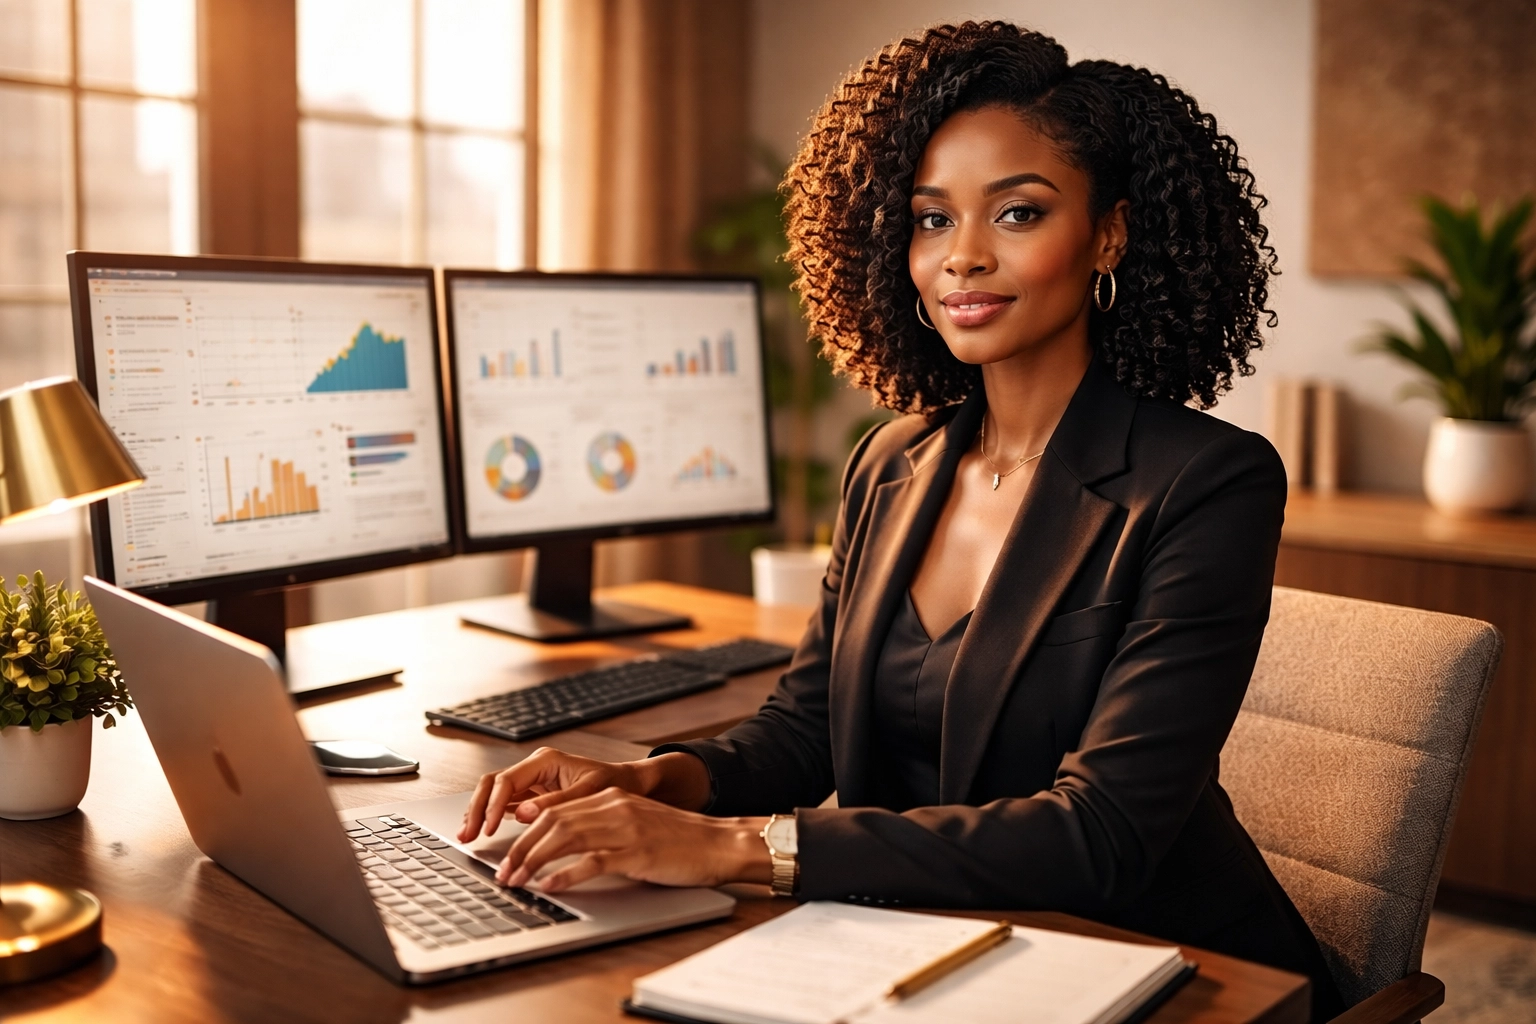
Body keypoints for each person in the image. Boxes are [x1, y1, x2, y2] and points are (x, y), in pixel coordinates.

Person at [460, 21, 1344, 1018]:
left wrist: (735, 848)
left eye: (1017, 212)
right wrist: (655, 783)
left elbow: (1102, 833)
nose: (963, 256)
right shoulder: (890, 464)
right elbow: (804, 733)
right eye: (932, 219)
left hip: (1167, 966)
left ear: (1109, 233)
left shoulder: (1208, 482)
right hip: (923, 945)